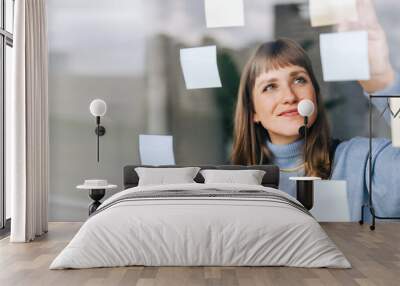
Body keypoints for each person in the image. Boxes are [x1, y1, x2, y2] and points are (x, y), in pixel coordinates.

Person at [231, 0, 400, 221]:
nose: (289, 97)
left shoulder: (360, 161)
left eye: (299, 80)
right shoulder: (231, 184)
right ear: (252, 111)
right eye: (270, 86)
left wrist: (382, 82)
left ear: (315, 94)